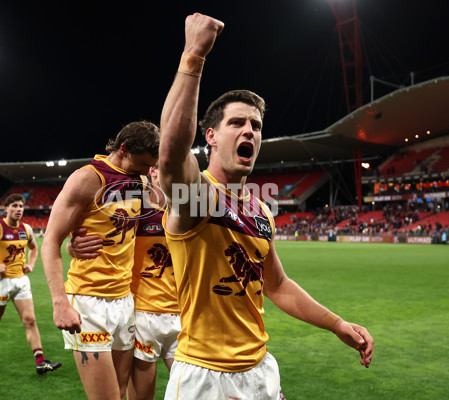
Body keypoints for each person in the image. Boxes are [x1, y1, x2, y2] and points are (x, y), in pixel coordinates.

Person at [157, 13, 374, 399]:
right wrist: (193, 57)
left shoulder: (260, 211)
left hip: (260, 370)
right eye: (237, 123)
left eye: (256, 126)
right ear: (211, 136)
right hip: (204, 377)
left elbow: (277, 285)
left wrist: (336, 323)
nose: (249, 132)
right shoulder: (196, 197)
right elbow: (172, 154)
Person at [41, 121, 160, 399]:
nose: (147, 172)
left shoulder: (139, 181)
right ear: (124, 149)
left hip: (125, 302)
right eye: (143, 164)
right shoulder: (88, 178)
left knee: (120, 392)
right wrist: (59, 302)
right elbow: (50, 241)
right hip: (88, 303)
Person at [69, 164, 180, 400]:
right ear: (153, 171)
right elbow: (105, 234)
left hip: (182, 315)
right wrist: (73, 245)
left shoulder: (189, 212)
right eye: (168, 169)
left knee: (195, 391)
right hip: (143, 315)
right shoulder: (137, 210)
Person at [0, 193, 61, 374]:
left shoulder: (26, 229)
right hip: (1, 282)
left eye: (20, 206)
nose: (18, 209)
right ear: (6, 209)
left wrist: (31, 264)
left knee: (30, 320)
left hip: (21, 281)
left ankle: (40, 361)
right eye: (14, 206)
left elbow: (34, 248)